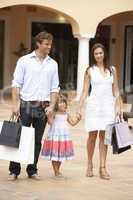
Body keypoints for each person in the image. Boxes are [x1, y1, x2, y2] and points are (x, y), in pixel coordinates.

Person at [9, 31, 59, 180]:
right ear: (38, 44)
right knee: (20, 137)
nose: (49, 46)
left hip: (43, 107)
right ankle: (15, 170)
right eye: (46, 44)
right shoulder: (24, 61)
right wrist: (15, 104)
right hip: (25, 105)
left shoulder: (53, 64)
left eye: (50, 43)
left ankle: (32, 170)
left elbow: (55, 88)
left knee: (37, 140)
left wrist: (51, 106)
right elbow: (16, 84)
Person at [78, 43, 123, 180]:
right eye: (96, 53)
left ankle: (102, 167)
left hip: (108, 107)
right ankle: (90, 164)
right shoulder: (89, 70)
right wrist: (80, 107)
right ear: (93, 55)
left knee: (104, 137)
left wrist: (119, 106)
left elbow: (115, 90)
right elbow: (85, 91)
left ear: (104, 54)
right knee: (92, 136)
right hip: (94, 107)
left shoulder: (112, 70)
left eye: (100, 53)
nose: (98, 55)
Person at [41, 95, 81, 177]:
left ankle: (57, 170)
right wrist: (49, 115)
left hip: (63, 138)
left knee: (61, 154)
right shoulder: (54, 113)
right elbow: (50, 122)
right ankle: (56, 171)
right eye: (60, 102)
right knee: (55, 154)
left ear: (66, 104)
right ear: (56, 105)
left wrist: (78, 119)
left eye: (63, 102)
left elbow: (72, 123)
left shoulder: (66, 114)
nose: (62, 104)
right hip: (55, 136)